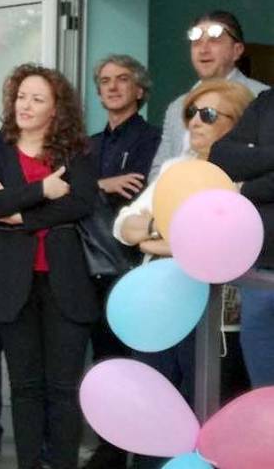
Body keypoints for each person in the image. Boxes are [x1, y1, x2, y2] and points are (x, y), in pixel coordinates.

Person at [114, 79, 254, 469]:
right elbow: (126, 224)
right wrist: (161, 233)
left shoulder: (245, 176)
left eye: (207, 114)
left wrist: (158, 232)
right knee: (150, 408)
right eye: (190, 112)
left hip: (212, 317)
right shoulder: (177, 166)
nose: (194, 122)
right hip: (158, 306)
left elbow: (217, 245)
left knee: (203, 412)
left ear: (237, 123)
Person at [0, 63, 98, 469]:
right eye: (21, 96)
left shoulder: (76, 151)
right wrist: (42, 190)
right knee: (25, 389)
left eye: (37, 99)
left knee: (63, 390)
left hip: (66, 284)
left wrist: (22, 213)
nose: (25, 105)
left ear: (55, 109)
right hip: (15, 286)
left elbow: (81, 203)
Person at [83, 54, 160, 469]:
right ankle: (110, 446)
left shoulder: (153, 140)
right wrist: (101, 184)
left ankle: (144, 446)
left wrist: (90, 188)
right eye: (105, 81)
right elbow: (74, 194)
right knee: (106, 361)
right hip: (93, 266)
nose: (112, 87)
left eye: (122, 80)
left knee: (139, 364)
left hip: (136, 267)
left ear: (139, 90)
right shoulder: (88, 145)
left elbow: (147, 195)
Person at [149, 10, 268, 180]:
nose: (203, 50)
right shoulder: (177, 106)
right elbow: (157, 171)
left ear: (237, 50)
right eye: (196, 43)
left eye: (214, 41)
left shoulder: (261, 99)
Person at [210, 82, 274, 390]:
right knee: (263, 393)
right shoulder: (267, 101)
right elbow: (221, 156)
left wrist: (247, 186)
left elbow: (243, 171)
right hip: (261, 268)